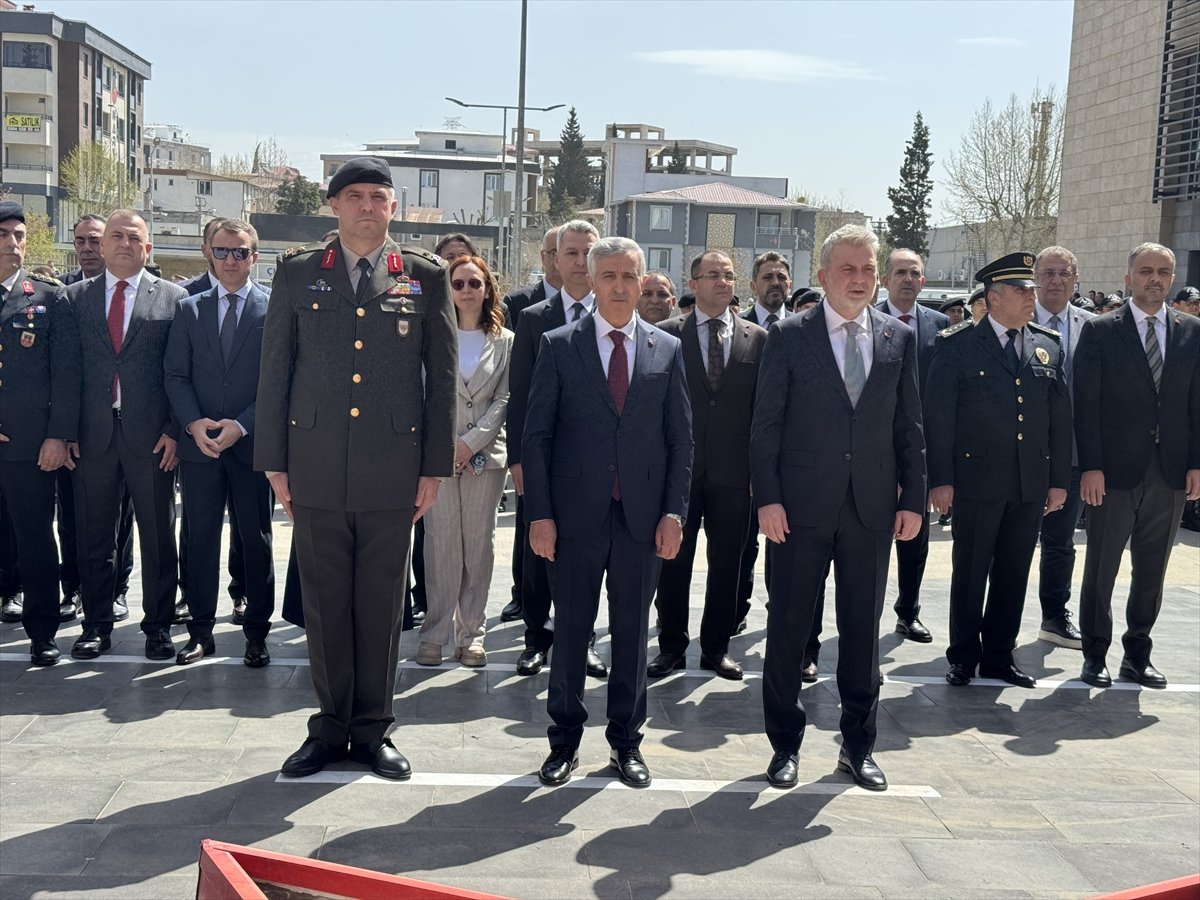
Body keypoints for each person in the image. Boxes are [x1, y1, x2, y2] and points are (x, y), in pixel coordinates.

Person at [256, 157, 456, 779]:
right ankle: (329, 726)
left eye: (378, 197)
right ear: (334, 205)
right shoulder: (297, 273)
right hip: (314, 461)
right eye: (355, 196)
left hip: (393, 466)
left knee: (380, 604)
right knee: (323, 603)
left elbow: (442, 376)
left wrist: (433, 467)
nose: (368, 206)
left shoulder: (424, 275)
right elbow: (275, 369)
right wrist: (274, 463)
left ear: (393, 208)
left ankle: (372, 728)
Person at [752, 224, 925, 792]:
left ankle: (858, 745)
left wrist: (914, 499)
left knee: (861, 633)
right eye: (848, 269)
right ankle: (785, 745)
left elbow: (910, 426)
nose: (860, 279)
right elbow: (766, 425)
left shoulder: (899, 337)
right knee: (788, 629)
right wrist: (768, 498)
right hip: (799, 509)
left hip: (871, 510)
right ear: (823, 276)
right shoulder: (789, 336)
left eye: (868, 269)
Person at [523, 236, 692, 788]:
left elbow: (681, 440)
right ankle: (564, 742)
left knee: (631, 634)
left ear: (643, 282)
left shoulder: (667, 349)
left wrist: (674, 513)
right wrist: (540, 515)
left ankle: (626, 742)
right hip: (574, 518)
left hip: (642, 518)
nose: (620, 287)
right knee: (571, 632)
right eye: (609, 276)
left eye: (629, 276)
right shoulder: (558, 345)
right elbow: (536, 437)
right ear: (591, 282)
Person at [927, 253, 1071, 690]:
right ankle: (963, 655)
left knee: (1013, 572)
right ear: (993, 298)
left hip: (1029, 482)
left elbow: (1059, 418)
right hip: (976, 481)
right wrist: (941, 479)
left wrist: (1058, 481)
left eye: (1031, 289)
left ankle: (999, 656)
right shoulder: (957, 344)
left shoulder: (1048, 343)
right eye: (1021, 290)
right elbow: (939, 419)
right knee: (970, 572)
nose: (1031, 297)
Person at [1074, 242, 1200, 689]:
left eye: (1163, 272)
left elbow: (1196, 404)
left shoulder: (1192, 331)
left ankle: (1137, 654)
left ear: (1172, 278)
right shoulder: (1101, 331)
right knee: (1102, 568)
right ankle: (1095, 654)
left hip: (1170, 472)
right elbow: (1085, 405)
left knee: (1152, 571)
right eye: (1146, 271)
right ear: (1129, 278)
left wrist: (1196, 463)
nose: (1155, 279)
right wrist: (1090, 466)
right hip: (1113, 473)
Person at [64, 210, 187, 662]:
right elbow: (66, 372)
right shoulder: (74, 298)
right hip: (91, 437)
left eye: (134, 237)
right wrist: (64, 431)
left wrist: (175, 430)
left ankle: (158, 627)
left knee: (157, 538)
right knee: (93, 537)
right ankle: (95, 625)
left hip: (152, 440)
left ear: (148, 248)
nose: (124, 243)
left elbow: (180, 372)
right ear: (102, 243)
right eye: (116, 235)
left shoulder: (174, 298)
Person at [164, 219, 274, 669]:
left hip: (252, 446)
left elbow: (279, 380)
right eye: (223, 251)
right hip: (201, 447)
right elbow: (175, 375)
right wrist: (193, 424)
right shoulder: (189, 309)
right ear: (209, 252)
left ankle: (257, 634)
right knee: (201, 540)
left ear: (254, 256)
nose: (231, 260)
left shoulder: (273, 308)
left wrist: (242, 425)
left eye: (241, 251)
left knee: (256, 540)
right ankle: (200, 633)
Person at [650, 251, 765, 681]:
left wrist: (760, 471)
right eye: (713, 275)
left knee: (729, 564)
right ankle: (671, 647)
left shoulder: (758, 338)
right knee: (672, 561)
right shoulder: (665, 335)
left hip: (735, 475)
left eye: (729, 275)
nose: (722, 282)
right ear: (693, 282)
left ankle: (717, 648)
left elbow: (764, 412)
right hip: (679, 472)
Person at [507, 220, 607, 679]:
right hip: (542, 457)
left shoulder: (615, 315)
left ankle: (582, 641)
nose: (581, 261)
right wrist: (518, 459)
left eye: (589, 253)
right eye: (571, 253)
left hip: (597, 462)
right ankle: (536, 638)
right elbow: (520, 395)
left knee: (589, 556)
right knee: (537, 553)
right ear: (555, 260)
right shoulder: (533, 319)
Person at [418, 255, 513, 667]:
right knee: (440, 545)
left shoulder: (506, 341)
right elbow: (422, 394)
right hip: (438, 457)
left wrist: (471, 442)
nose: (467, 290)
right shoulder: (432, 335)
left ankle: (472, 634)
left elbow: (505, 398)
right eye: (458, 284)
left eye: (475, 283)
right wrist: (446, 445)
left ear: (488, 288)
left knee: (478, 547)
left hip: (484, 458)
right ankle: (435, 634)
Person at [0, 202, 81, 665]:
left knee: (35, 539)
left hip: (30, 443)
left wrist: (58, 435)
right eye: (4, 234)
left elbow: (66, 375)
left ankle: (42, 631)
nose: (13, 243)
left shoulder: (48, 297)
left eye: (19, 235)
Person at [877, 248, 950, 645]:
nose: (908, 279)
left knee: (915, 536)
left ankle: (909, 611)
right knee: (869, 537)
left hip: (920, 448)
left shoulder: (941, 326)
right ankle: (862, 615)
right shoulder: (867, 319)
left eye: (915, 273)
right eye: (900, 272)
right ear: (885, 279)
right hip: (873, 445)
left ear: (923, 280)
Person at [1031, 246, 1095, 650]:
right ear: (1035, 278)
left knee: (1060, 542)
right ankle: (994, 623)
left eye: (1064, 273)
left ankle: (1054, 616)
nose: (1056, 281)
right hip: (1021, 455)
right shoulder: (1014, 320)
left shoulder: (1094, 327)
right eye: (1048, 273)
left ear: (1076, 279)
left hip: (1070, 456)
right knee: (1008, 545)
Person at [499, 226, 562, 624]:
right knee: (532, 526)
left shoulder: (602, 307)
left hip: (582, 449)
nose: (566, 261)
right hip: (536, 443)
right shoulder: (522, 306)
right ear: (544, 257)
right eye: (557, 252)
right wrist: (516, 456)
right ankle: (525, 601)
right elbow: (517, 388)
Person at [736, 251, 793, 632]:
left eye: (781, 277)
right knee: (743, 542)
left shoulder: (805, 330)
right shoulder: (738, 330)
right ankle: (737, 609)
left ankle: (781, 607)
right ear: (753, 285)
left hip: (792, 457)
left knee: (785, 539)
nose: (775, 283)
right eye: (768, 277)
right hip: (743, 455)